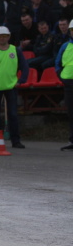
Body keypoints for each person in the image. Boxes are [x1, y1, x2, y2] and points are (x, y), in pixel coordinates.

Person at [0, 26, 29, 149]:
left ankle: (16, 141)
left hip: (11, 86)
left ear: (8, 37)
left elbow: (25, 67)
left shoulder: (15, 50)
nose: (2, 38)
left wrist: (22, 80)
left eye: (4, 36)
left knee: (13, 114)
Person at [54, 22, 73, 151]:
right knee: (71, 114)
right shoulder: (65, 46)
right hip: (69, 84)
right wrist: (62, 77)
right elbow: (57, 63)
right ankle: (72, 140)